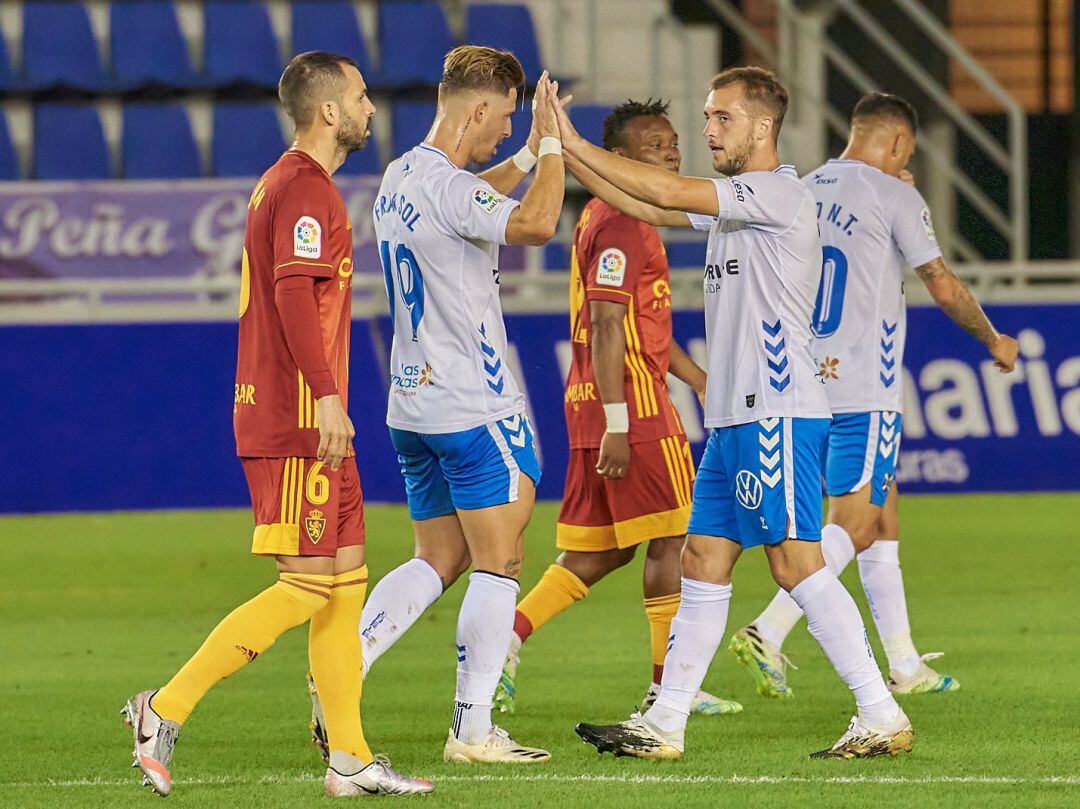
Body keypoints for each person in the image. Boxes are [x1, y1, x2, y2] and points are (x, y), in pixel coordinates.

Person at [559, 66, 913, 760]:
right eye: (709, 116)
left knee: (794, 562)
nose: (708, 128)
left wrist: (570, 138)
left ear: (761, 126)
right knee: (703, 557)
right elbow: (653, 207)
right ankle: (666, 722)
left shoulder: (777, 192)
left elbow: (661, 189)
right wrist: (558, 153)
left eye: (721, 117)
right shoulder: (738, 201)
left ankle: (880, 710)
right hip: (732, 418)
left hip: (776, 410)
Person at [121, 51, 432, 797]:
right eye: (359, 97)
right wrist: (326, 396)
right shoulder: (303, 190)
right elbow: (295, 298)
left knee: (346, 582)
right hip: (299, 419)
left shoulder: (291, 185)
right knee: (306, 585)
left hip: (319, 419)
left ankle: (349, 757)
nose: (369, 108)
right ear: (328, 111)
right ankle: (161, 708)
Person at [730, 92, 1018, 699]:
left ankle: (905, 664)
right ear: (899, 144)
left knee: (883, 518)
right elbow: (939, 281)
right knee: (854, 524)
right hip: (866, 386)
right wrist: (993, 338)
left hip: (806, 387)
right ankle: (769, 628)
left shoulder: (801, 187)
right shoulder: (895, 195)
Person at [493, 99, 740, 718]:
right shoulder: (624, 224)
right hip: (630, 408)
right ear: (622, 159)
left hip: (598, 404)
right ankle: (668, 686)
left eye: (673, 142)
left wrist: (700, 379)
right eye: (655, 146)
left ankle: (505, 640)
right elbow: (607, 326)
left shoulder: (607, 218)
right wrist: (621, 424)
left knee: (603, 550)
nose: (672, 153)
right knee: (676, 539)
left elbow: (643, 328)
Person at [368, 46, 565, 764]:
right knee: (501, 558)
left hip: (412, 406)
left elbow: (467, 197)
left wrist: (521, 154)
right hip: (474, 405)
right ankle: (473, 729)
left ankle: (341, 669)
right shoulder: (451, 187)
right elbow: (538, 224)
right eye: (503, 118)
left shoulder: (403, 177)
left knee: (437, 554)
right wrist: (551, 150)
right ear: (477, 108)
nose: (503, 132)